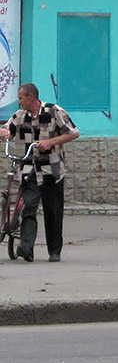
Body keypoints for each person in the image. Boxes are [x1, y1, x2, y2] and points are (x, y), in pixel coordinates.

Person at [0, 82, 80, 262]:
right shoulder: (20, 115)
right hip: (29, 169)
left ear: (31, 97)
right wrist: (4, 132)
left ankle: (54, 251)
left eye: (21, 98)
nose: (19, 102)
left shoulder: (53, 111)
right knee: (29, 206)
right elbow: (8, 129)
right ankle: (26, 248)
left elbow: (73, 133)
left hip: (51, 169)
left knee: (53, 212)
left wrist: (51, 142)